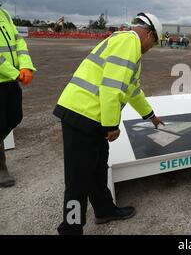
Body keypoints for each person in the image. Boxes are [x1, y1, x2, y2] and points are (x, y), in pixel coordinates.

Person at [54, 12, 165, 235]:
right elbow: (111, 88)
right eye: (154, 42)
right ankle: (71, 228)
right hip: (82, 114)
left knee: (97, 167)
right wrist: (111, 126)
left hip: (92, 116)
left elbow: (132, 90)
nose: (151, 47)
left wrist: (150, 116)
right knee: (78, 179)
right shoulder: (129, 42)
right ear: (149, 34)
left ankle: (104, 209)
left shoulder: (127, 45)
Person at [0, 0, 36, 187]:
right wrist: (15, 72)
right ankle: (1, 168)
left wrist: (25, 66)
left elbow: (19, 42)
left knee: (15, 117)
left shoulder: (4, 14)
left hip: (11, 80)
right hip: (5, 77)